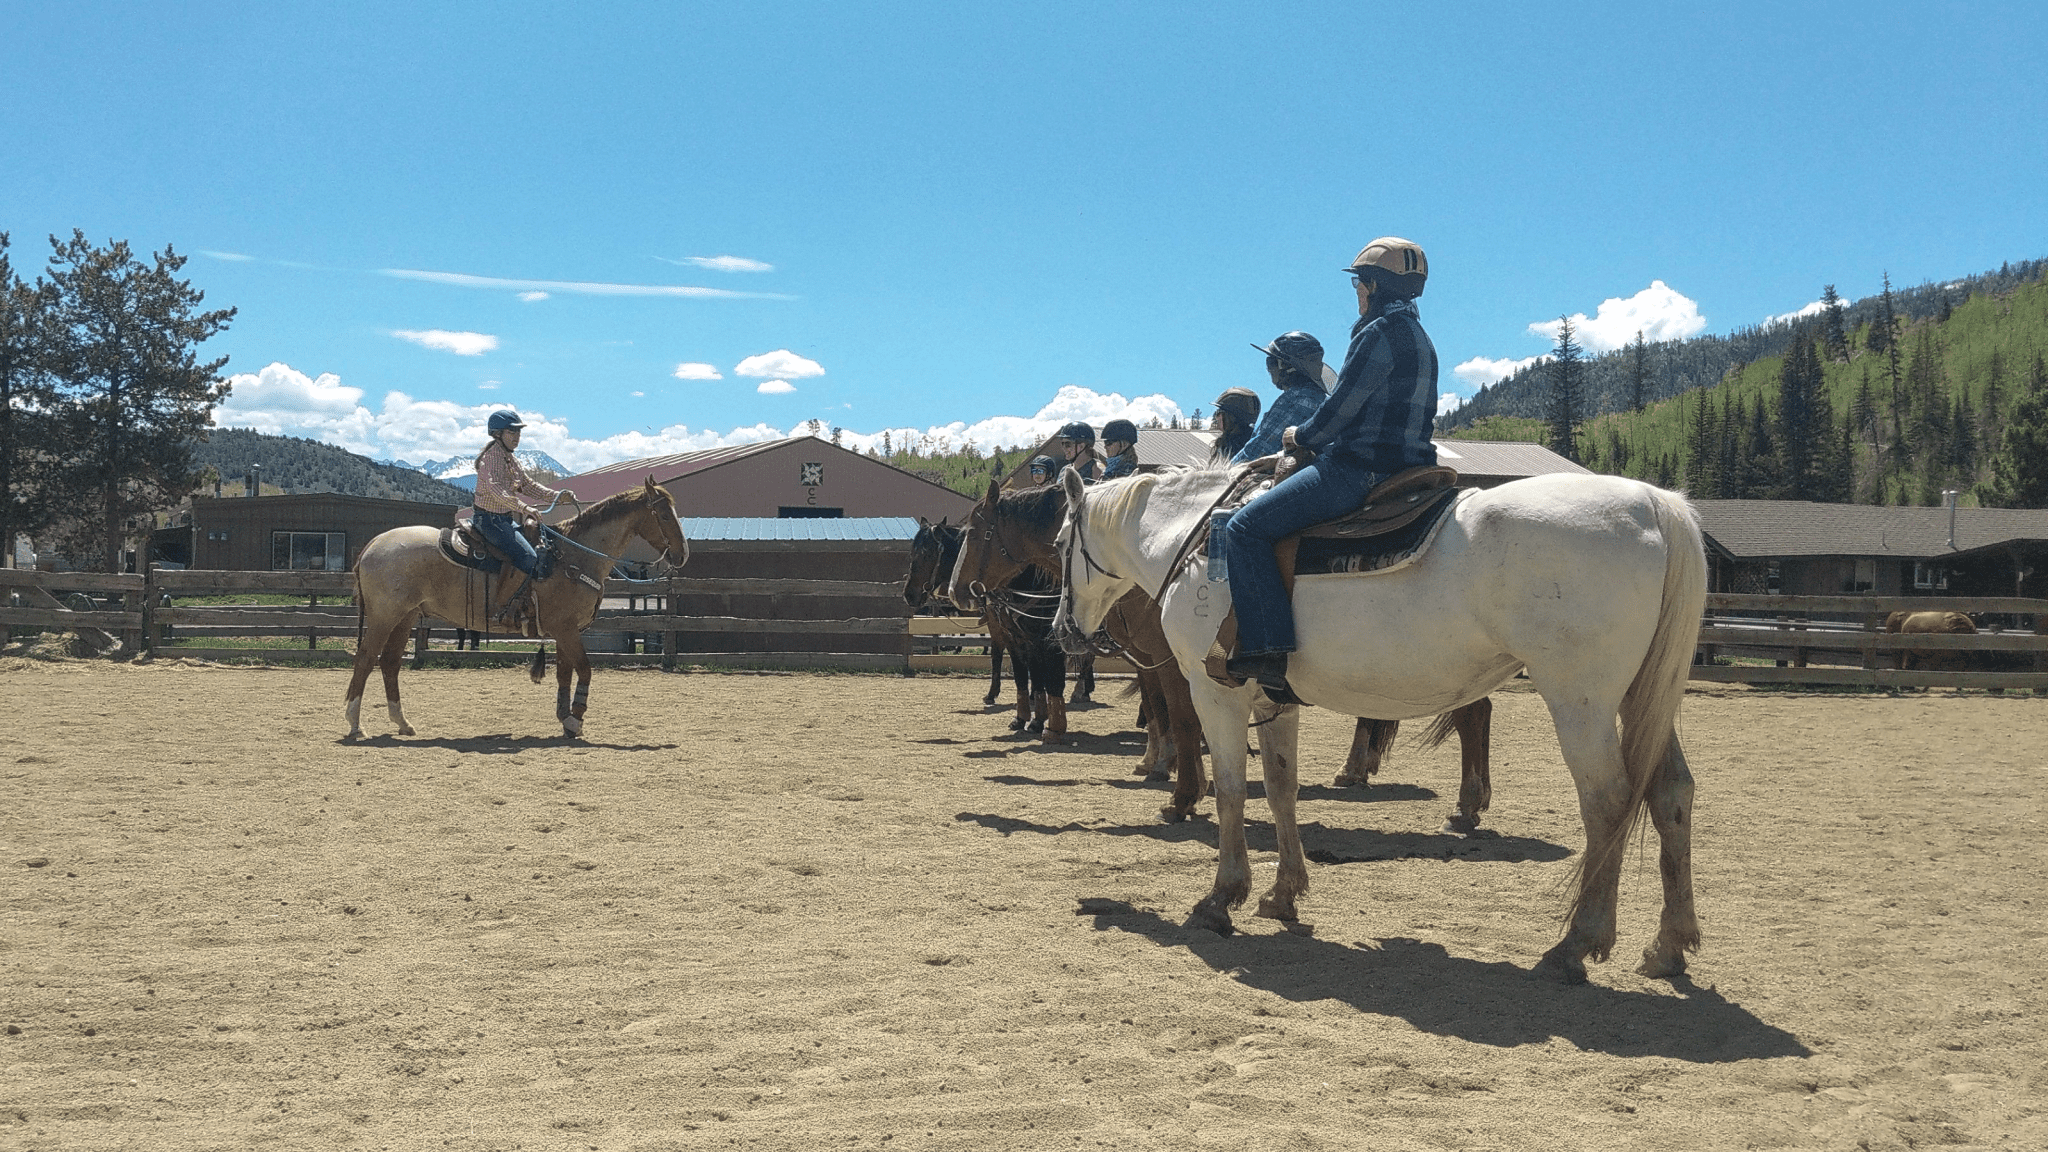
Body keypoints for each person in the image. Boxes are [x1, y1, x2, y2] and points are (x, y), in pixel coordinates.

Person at [1222, 238, 1438, 698]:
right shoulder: (1422, 338)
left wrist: (1298, 437)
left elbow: (1340, 410)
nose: (1357, 290)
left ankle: (1266, 649)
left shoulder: (1377, 332)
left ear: (1375, 286)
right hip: (1414, 467)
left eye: (1360, 281)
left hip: (1361, 469)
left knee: (1244, 529)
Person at [472, 410, 563, 617]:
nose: (517, 438)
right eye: (511, 433)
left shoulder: (509, 459)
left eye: (518, 433)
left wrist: (556, 497)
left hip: (503, 519)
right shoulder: (491, 459)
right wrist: (525, 508)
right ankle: (501, 608)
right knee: (528, 556)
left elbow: (528, 485)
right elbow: (498, 492)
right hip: (488, 520)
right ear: (497, 434)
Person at [1232, 331, 1331, 465]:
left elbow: (1260, 450)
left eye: (1271, 363)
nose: (1269, 369)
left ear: (1284, 366)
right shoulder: (1320, 399)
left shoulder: (1296, 399)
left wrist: (1220, 473)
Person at [1211, 387, 1262, 463]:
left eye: (1219, 412)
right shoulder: (1256, 441)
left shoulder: (1228, 446)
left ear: (1231, 417)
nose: (1216, 417)